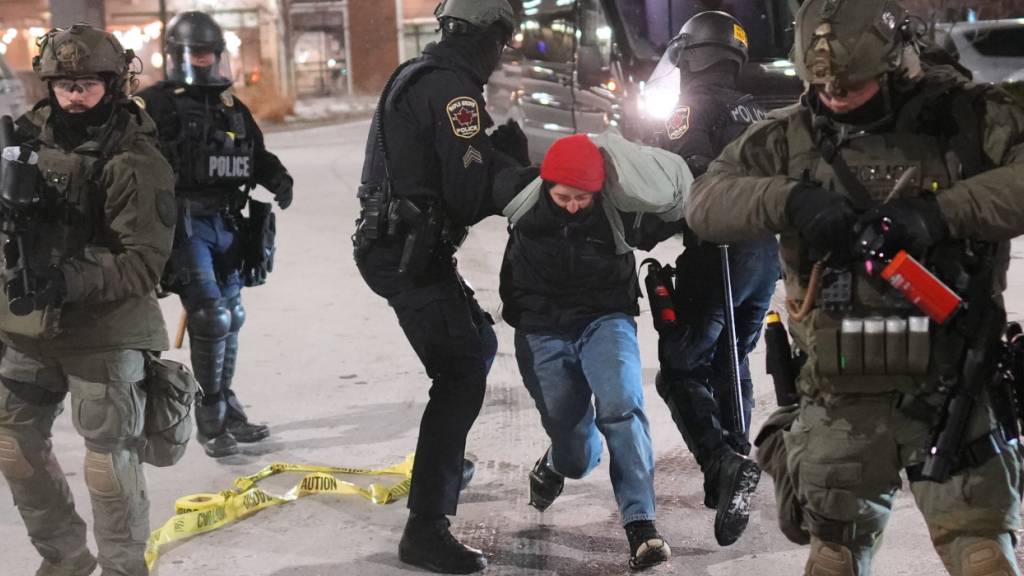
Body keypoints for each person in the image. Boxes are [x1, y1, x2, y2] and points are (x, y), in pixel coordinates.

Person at [685, 0, 1024, 573]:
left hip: (952, 388)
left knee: (984, 556)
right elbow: (705, 203)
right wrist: (790, 199)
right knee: (834, 557)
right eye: (822, 86)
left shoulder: (968, 117)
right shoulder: (789, 136)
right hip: (838, 397)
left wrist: (939, 216)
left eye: (851, 84)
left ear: (894, 63)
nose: (835, 94)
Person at [352, 0, 525, 572]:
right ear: (484, 36)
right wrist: (515, 169)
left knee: (476, 345)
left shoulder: (416, 71)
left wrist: (494, 152)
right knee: (461, 369)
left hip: (398, 246)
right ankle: (426, 527)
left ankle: (444, 461)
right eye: (501, 41)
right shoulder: (453, 90)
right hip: (409, 256)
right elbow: (470, 191)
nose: (500, 55)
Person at [0, 24, 176, 576]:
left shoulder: (135, 159)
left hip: (107, 326)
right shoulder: (22, 143)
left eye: (88, 84)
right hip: (28, 323)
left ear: (113, 83)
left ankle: (125, 569)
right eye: (64, 83)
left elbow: (143, 259)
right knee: (13, 445)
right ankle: (66, 560)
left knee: (107, 458)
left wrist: (66, 279)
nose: (74, 95)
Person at [498, 134, 688, 569]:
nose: (572, 206)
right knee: (577, 453)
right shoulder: (522, 210)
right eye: (563, 196)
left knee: (623, 406)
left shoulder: (618, 213)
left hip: (605, 319)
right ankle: (556, 461)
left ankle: (641, 523)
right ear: (546, 185)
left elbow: (676, 210)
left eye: (582, 198)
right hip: (543, 329)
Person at [137, 10, 293, 458]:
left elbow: (256, 153)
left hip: (228, 221)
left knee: (233, 315)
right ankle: (209, 418)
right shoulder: (156, 105)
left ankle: (226, 402)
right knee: (209, 316)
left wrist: (279, 179)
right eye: (196, 53)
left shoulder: (231, 106)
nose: (204, 61)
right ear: (178, 56)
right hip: (186, 226)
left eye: (210, 53)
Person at [652, 11, 780, 547]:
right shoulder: (760, 109)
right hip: (764, 257)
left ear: (691, 55)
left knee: (681, 367)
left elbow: (689, 177)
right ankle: (734, 466)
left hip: (719, 252)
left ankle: (721, 464)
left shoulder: (692, 106)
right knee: (732, 359)